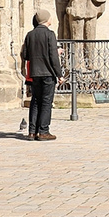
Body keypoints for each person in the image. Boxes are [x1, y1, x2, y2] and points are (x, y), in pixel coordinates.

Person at [21, 9, 63, 140]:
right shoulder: (50, 34)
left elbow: (26, 55)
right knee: (46, 102)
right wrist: (59, 74)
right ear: (46, 20)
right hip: (47, 73)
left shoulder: (30, 35)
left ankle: (32, 131)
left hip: (35, 73)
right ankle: (43, 131)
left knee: (35, 101)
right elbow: (53, 57)